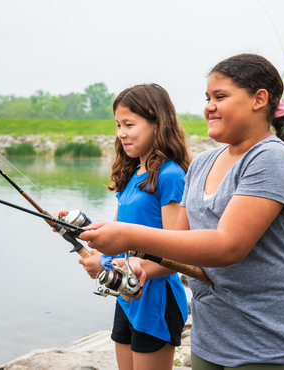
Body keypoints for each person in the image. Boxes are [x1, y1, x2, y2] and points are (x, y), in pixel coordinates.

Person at [82, 54, 284, 369]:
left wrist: (128, 235)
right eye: (207, 98)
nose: (209, 106)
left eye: (220, 96)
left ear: (259, 99)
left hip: (277, 335)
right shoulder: (201, 163)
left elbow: (228, 246)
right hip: (213, 334)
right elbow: (178, 249)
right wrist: (140, 267)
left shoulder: (272, 158)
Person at [57, 84, 190, 370]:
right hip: (127, 299)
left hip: (156, 299)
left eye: (129, 124)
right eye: (118, 125)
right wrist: (77, 231)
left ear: (158, 123)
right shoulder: (132, 174)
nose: (121, 133)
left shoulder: (170, 175)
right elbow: (120, 239)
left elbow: (177, 254)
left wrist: (115, 271)